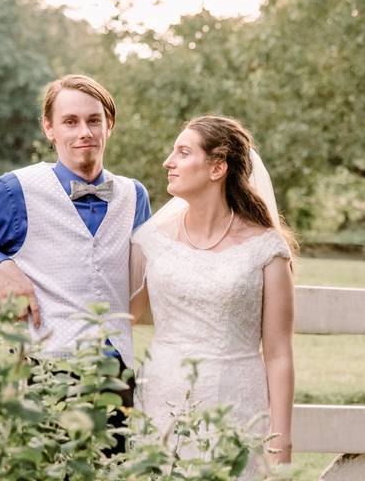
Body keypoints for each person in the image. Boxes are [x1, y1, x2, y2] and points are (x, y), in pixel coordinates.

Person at [0, 73, 151, 452]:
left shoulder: (135, 196)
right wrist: (0, 265)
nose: (84, 131)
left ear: (109, 125)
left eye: (94, 120)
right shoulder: (16, 189)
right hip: (50, 370)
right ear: (49, 128)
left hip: (119, 374)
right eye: (70, 121)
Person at [129, 116, 295, 478]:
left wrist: (281, 438)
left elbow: (279, 353)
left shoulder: (266, 249)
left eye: (183, 152)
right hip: (161, 398)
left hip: (236, 401)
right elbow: (121, 317)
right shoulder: (150, 240)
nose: (167, 162)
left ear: (217, 167)